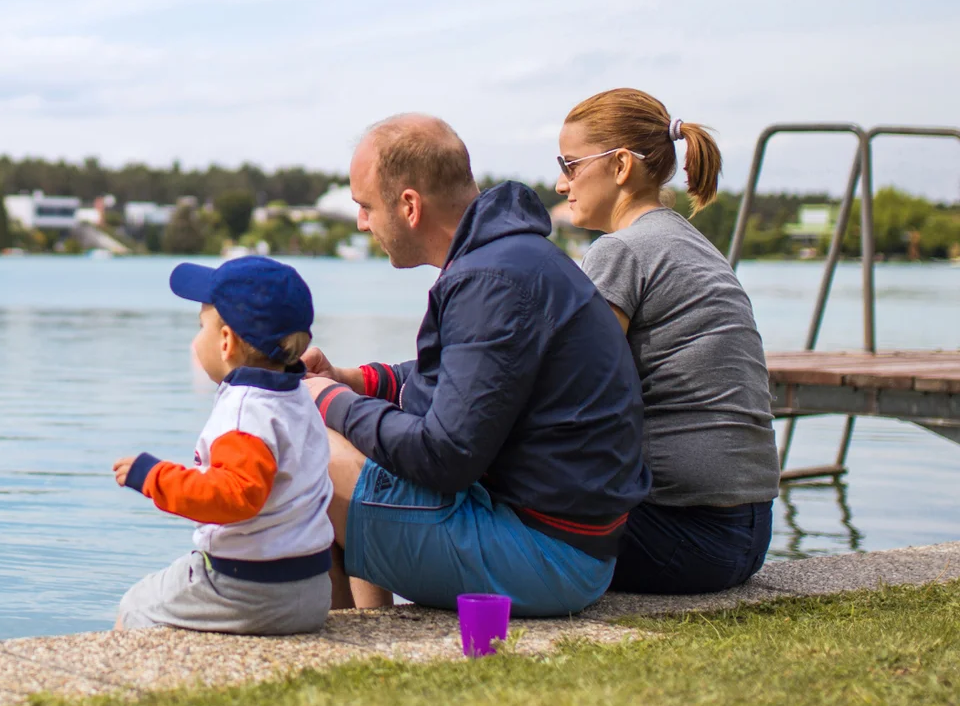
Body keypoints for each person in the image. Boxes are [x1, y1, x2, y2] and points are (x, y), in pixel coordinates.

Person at [303, 114, 650, 617]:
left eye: (365, 206)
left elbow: (444, 457)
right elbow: (460, 377)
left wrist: (327, 400)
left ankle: (358, 632)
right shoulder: (508, 257)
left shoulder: (490, 280)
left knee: (305, 449)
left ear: (409, 206)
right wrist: (351, 382)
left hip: (547, 557)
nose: (361, 222)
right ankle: (366, 624)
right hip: (563, 540)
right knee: (336, 434)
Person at [556, 88, 779, 595]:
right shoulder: (689, 242)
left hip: (683, 537)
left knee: (482, 506)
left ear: (618, 166)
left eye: (570, 164)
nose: (561, 181)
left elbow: (576, 392)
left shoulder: (621, 251)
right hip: (748, 534)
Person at [112, 256, 334, 633]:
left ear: (226, 341)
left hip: (248, 588)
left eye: (201, 327)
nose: (196, 339)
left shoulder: (245, 413)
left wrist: (154, 476)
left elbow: (235, 495)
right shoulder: (296, 398)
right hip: (311, 588)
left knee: (137, 605)